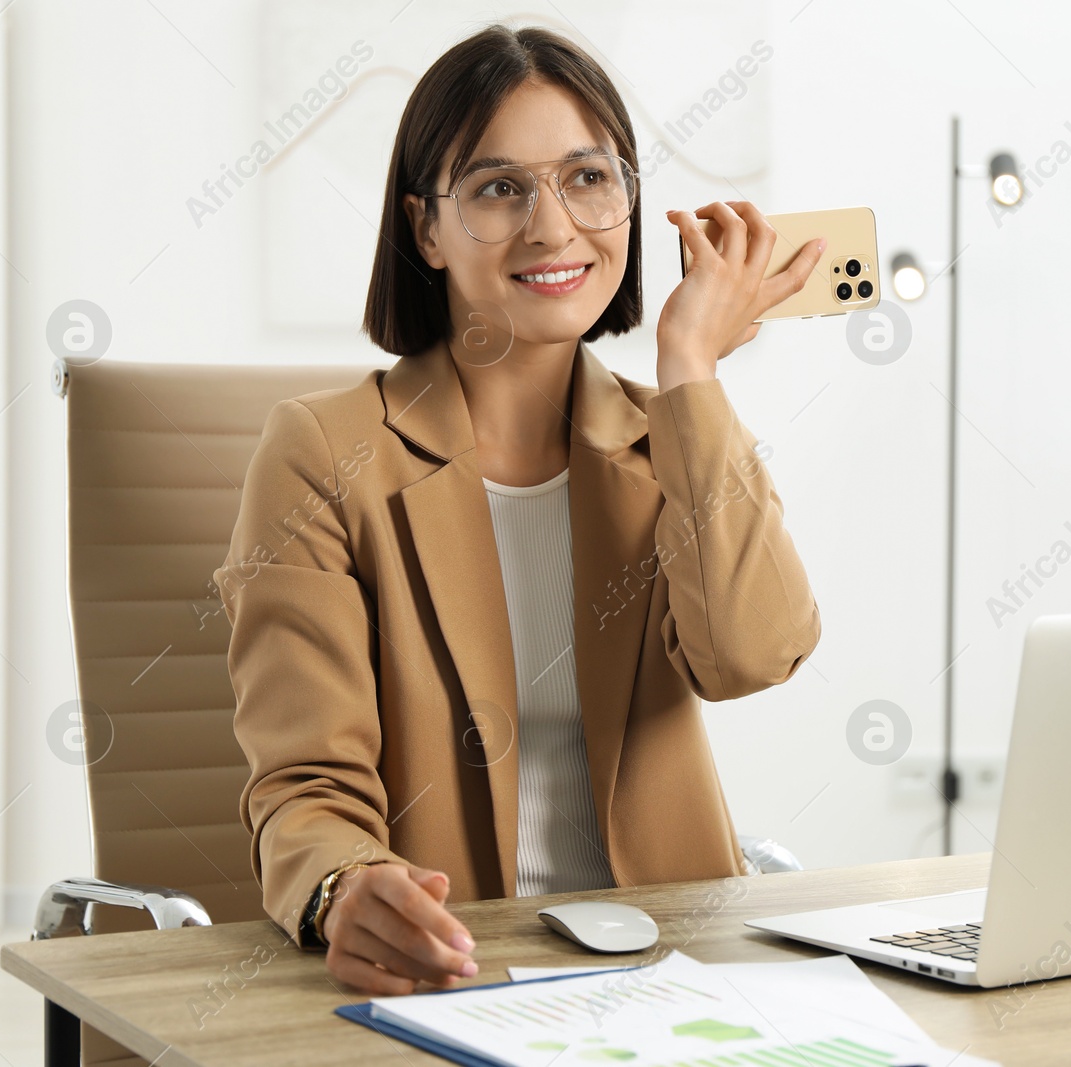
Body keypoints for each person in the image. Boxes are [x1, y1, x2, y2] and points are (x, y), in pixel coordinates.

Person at [214, 22, 821, 997]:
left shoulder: (673, 432)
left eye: (588, 178)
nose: (551, 226)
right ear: (424, 228)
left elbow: (752, 653)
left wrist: (691, 371)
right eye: (500, 188)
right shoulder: (324, 454)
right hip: (455, 973)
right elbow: (303, 787)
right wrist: (345, 883)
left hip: (675, 969)